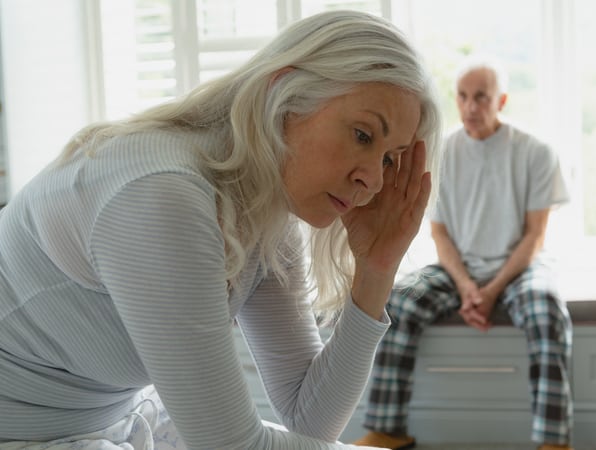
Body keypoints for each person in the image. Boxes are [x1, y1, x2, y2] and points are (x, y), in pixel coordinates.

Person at [0, 10, 443, 450]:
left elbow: (311, 419)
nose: (376, 180)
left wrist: (377, 268)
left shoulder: (263, 208)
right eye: (364, 135)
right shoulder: (159, 193)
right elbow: (230, 446)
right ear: (284, 94)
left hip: (113, 422)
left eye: (390, 158)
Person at [353, 58, 573, 450]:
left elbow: (535, 236)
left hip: (520, 267)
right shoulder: (444, 152)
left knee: (546, 310)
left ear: (501, 100)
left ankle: (553, 442)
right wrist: (469, 286)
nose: (471, 107)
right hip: (458, 267)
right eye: (463, 97)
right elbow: (439, 233)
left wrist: (489, 292)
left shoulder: (535, 152)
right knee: (400, 300)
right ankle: (388, 429)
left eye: (482, 98)